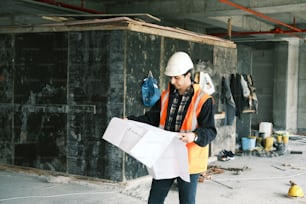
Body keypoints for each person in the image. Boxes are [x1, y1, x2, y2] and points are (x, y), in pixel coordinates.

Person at [127, 51, 217, 204]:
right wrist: (129, 120)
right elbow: (150, 119)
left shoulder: (203, 100)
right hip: (165, 157)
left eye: (177, 77)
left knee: (187, 201)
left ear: (188, 75)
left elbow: (210, 131)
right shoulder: (165, 97)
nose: (173, 81)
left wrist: (193, 136)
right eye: (171, 77)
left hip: (189, 161)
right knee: (154, 200)